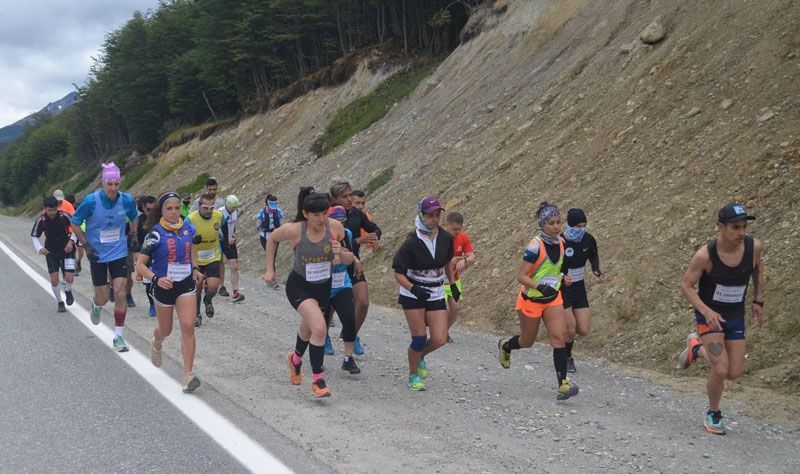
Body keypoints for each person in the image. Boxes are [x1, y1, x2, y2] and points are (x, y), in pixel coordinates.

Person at [678, 203, 765, 435]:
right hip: (710, 316)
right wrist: (705, 311)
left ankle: (695, 348)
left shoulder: (753, 247)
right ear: (720, 227)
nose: (742, 232)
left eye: (744, 227)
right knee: (720, 370)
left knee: (734, 373)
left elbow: (757, 268)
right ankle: (713, 413)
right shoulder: (705, 256)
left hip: (735, 315)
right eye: (736, 227)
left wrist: (758, 300)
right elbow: (686, 286)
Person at [263, 188, 349, 398]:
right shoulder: (295, 230)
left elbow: (349, 257)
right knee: (320, 328)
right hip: (299, 285)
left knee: (309, 328)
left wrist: (341, 255)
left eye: (324, 214)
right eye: (316, 215)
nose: (321, 219)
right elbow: (272, 239)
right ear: (306, 214)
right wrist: (270, 269)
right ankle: (318, 380)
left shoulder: (335, 228)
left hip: (323, 286)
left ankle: (295, 360)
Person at [498, 202, 579, 400]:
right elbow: (521, 276)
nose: (556, 226)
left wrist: (562, 277)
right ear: (542, 224)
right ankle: (506, 346)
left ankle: (563, 384)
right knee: (527, 341)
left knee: (559, 338)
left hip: (552, 298)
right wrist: (539, 286)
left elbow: (554, 269)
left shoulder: (561, 242)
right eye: (551, 223)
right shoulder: (535, 246)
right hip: (531, 299)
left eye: (559, 222)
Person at [136, 192, 205, 393]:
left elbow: (190, 250)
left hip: (185, 285)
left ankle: (187, 375)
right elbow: (140, 264)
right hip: (163, 286)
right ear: (162, 211)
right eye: (169, 209)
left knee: (188, 327)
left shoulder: (188, 229)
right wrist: (156, 279)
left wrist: (194, 268)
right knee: (166, 330)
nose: (174, 212)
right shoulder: (155, 234)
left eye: (177, 208)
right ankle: (156, 341)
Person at [71, 162, 139, 352]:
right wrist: (86, 245)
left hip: (119, 252)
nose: (113, 188)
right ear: (103, 183)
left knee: (120, 292)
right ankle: (96, 304)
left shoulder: (126, 199)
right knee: (103, 298)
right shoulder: (91, 201)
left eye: (116, 184)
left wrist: (133, 234)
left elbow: (134, 216)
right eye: (109, 184)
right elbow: (75, 222)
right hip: (98, 254)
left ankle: (118, 337)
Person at [392, 196, 456, 391]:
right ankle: (413, 375)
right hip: (414, 293)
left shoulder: (445, 238)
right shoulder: (411, 242)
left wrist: (452, 286)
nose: (434, 219)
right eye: (430, 216)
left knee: (439, 338)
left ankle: (420, 356)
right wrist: (414, 289)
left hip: (436, 291)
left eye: (437, 215)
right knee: (419, 337)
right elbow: (398, 273)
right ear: (421, 215)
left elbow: (447, 264)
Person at [330, 179, 381, 356]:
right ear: (334, 198)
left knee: (363, 302)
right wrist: (361, 240)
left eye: (351, 195)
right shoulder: (326, 216)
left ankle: (351, 334)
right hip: (332, 266)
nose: (350, 199)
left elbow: (374, 228)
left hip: (354, 263)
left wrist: (374, 237)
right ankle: (325, 337)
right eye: (345, 196)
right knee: (331, 304)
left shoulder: (356, 214)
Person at [559, 208, 603, 373]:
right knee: (570, 328)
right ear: (569, 225)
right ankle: (566, 357)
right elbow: (550, 265)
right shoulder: (560, 242)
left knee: (583, 329)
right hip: (562, 288)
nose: (581, 229)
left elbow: (593, 255)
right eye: (578, 226)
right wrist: (562, 276)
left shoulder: (588, 239)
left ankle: (560, 334)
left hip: (579, 286)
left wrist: (596, 269)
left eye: (584, 225)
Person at [323, 205, 362, 374]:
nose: (340, 225)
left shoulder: (348, 233)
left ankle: (348, 358)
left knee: (349, 319)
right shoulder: (318, 236)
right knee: (320, 324)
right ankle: (315, 356)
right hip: (322, 284)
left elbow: (349, 254)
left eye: (342, 221)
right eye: (336, 221)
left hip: (341, 284)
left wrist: (353, 260)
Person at [32, 196, 77, 312]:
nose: (52, 213)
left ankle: (68, 290)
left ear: (57, 208)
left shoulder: (64, 216)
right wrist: (40, 248)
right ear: (44, 209)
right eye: (49, 210)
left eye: (54, 210)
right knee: (54, 280)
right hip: (51, 251)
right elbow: (34, 236)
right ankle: (60, 302)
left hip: (67, 249)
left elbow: (76, 228)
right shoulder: (41, 220)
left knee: (69, 277)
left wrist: (71, 241)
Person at [186, 193, 224, 327]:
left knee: (214, 286)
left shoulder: (219, 216)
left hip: (213, 255)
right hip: (196, 258)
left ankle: (208, 300)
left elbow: (223, 226)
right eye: (205, 208)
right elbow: (182, 237)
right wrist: (191, 240)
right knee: (197, 288)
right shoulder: (190, 219)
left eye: (211, 208)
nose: (208, 211)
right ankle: (197, 314)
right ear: (199, 206)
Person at [443, 211, 476, 343]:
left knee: (455, 308)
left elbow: (472, 256)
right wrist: (451, 261)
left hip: (454, 280)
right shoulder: (438, 237)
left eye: (459, 229)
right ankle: (438, 332)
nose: (457, 232)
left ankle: (443, 331)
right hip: (438, 281)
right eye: (454, 229)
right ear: (447, 225)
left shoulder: (463, 237)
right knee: (439, 309)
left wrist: (465, 260)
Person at [218, 195, 244, 302]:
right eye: (233, 207)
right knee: (220, 264)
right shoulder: (219, 213)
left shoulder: (235, 212)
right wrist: (225, 238)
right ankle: (221, 286)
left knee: (234, 266)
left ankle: (235, 291)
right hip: (219, 240)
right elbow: (216, 228)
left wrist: (234, 235)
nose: (234, 209)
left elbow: (233, 225)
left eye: (236, 207)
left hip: (230, 240)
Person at [136, 195, 158, 317]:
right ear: (143, 208)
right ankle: (151, 304)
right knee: (149, 284)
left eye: (153, 209)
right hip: (146, 259)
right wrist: (137, 254)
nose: (151, 212)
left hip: (160, 257)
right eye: (148, 209)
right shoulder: (139, 221)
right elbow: (136, 239)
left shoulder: (161, 219)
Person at [257, 194, 283, 289]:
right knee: (270, 257)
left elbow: (281, 224)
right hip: (265, 237)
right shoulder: (261, 213)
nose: (273, 209)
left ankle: (271, 278)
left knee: (273, 257)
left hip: (275, 236)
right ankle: (272, 280)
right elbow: (258, 226)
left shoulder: (278, 212)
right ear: (267, 204)